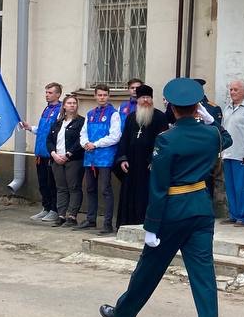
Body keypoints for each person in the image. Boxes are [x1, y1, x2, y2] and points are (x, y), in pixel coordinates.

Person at [100, 78, 230, 317]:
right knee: (204, 278)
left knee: (149, 268)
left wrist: (151, 226)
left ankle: (124, 314)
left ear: (171, 108)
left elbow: (158, 187)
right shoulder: (210, 134)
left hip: (172, 211)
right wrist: (212, 120)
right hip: (200, 208)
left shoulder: (167, 139)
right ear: (197, 107)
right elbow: (227, 139)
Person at [115, 84, 170, 228]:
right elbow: (124, 139)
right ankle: (128, 223)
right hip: (131, 164)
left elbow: (163, 141)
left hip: (149, 165)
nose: (145, 100)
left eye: (148, 97)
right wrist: (122, 159)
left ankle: (147, 224)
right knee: (130, 194)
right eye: (142, 97)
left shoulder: (160, 117)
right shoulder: (131, 118)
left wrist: (154, 160)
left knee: (147, 194)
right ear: (137, 100)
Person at [79, 84, 123, 234]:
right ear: (95, 96)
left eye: (105, 95)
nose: (102, 97)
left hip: (105, 157)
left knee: (105, 189)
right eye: (99, 95)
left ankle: (107, 223)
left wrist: (95, 144)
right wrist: (85, 143)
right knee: (90, 188)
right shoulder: (90, 113)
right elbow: (83, 132)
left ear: (108, 96)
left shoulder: (113, 114)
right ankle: (91, 220)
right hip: (90, 156)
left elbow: (115, 136)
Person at [23, 82, 63, 224]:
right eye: (46, 92)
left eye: (50, 93)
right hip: (40, 152)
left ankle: (54, 210)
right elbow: (42, 129)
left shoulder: (61, 110)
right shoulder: (46, 109)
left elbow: (57, 132)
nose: (47, 95)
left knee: (52, 183)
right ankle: (46, 208)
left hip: (51, 153)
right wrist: (29, 128)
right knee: (43, 183)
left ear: (58, 94)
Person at [220, 80, 244, 226]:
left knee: (242, 187)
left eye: (236, 90)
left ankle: (243, 216)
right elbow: (223, 131)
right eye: (231, 90)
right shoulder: (227, 108)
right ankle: (233, 214)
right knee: (229, 186)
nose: (232, 92)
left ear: (243, 91)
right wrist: (221, 150)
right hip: (228, 153)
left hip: (242, 154)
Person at [48, 94, 85, 228]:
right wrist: (54, 154)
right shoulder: (57, 123)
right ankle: (61, 215)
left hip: (73, 160)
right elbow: (49, 140)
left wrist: (69, 154)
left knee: (74, 187)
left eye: (74, 103)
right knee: (61, 188)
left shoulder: (81, 121)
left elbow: (80, 140)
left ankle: (72, 216)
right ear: (64, 106)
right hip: (57, 159)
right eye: (69, 103)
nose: (72, 105)